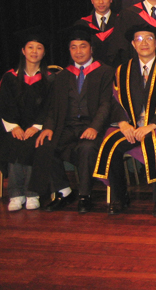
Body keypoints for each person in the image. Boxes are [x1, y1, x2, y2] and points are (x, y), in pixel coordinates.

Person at [93, 24, 156, 217]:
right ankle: (119, 196)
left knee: (153, 142)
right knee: (111, 143)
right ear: (133, 44)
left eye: (149, 38)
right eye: (139, 39)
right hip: (130, 125)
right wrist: (123, 123)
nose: (144, 43)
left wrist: (151, 125)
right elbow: (114, 101)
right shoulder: (122, 70)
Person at [29, 26, 114, 213]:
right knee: (45, 144)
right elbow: (53, 107)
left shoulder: (105, 72)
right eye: (73, 47)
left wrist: (94, 127)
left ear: (91, 49)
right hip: (67, 126)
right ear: (69, 50)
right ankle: (64, 191)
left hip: (92, 125)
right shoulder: (62, 76)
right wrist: (48, 127)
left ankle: (85, 195)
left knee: (86, 148)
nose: (78, 51)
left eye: (83, 46)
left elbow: (106, 104)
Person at [0, 29, 54, 211]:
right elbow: (5, 104)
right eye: (30, 47)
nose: (34, 51)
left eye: (39, 48)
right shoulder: (10, 77)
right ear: (23, 51)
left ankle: (32, 193)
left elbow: (50, 106)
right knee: (14, 142)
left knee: (34, 143)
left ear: (44, 53)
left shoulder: (49, 79)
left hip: (38, 127)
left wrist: (37, 126)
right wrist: (14, 127)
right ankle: (15, 194)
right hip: (12, 126)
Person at [75, 0, 120, 66]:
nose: (101, 2)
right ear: (92, 0)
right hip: (91, 70)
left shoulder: (121, 21)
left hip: (117, 69)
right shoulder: (83, 24)